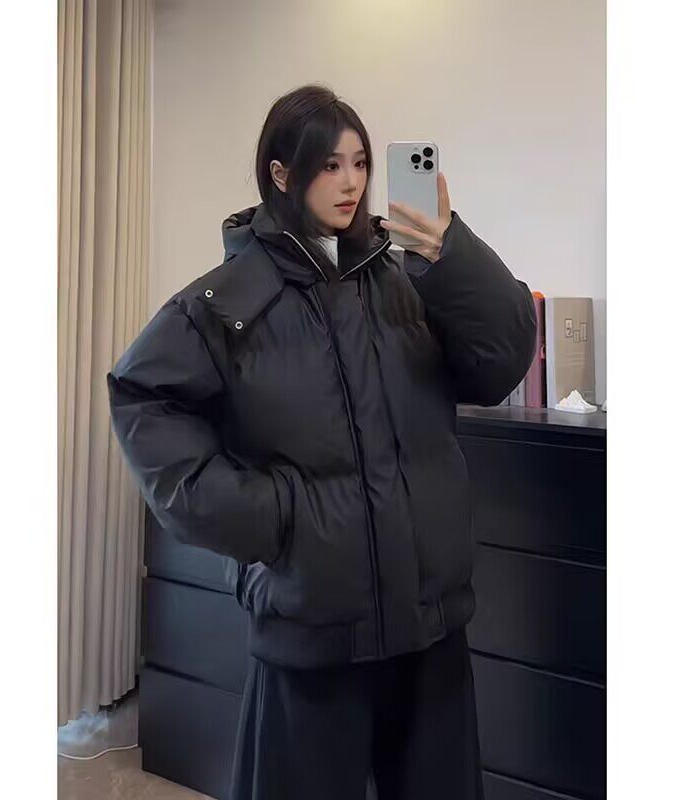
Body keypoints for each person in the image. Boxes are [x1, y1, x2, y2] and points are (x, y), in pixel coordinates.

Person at [107, 84, 538, 799]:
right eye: (330, 165)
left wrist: (449, 251)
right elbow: (141, 396)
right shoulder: (231, 300)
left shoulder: (406, 282)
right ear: (282, 174)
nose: (351, 183)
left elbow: (502, 361)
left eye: (360, 163)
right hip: (312, 637)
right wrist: (269, 517)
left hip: (430, 632)